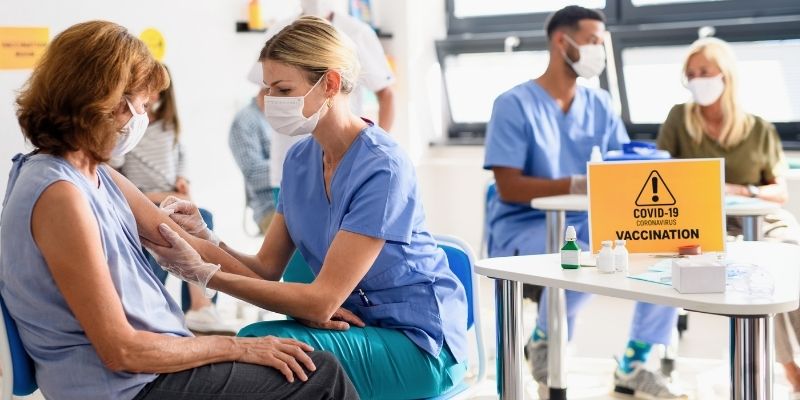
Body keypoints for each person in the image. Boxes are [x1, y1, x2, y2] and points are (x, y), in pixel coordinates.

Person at [1, 20, 357, 400]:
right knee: (319, 377)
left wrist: (294, 305)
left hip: (149, 372)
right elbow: (121, 350)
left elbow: (180, 242)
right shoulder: (60, 194)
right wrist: (235, 345)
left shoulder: (93, 171)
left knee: (301, 362)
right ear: (104, 101)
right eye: (141, 105)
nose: (145, 117)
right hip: (126, 387)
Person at [151, 16, 467, 400]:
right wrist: (205, 238)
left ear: (330, 84)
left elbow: (321, 301)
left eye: (283, 88)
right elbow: (266, 270)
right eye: (267, 89)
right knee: (262, 350)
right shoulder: (300, 159)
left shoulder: (383, 166)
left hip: (418, 342)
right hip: (356, 328)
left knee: (261, 353)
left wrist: (205, 275)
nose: (269, 101)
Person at [483, 6, 686, 399]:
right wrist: (577, 184)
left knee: (662, 234)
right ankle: (545, 337)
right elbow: (508, 187)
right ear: (563, 41)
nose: (600, 51)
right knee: (591, 241)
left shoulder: (600, 105)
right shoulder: (513, 104)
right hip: (524, 225)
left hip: (588, 221)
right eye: (593, 41)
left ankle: (636, 360)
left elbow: (619, 171)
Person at [656, 36, 800, 395]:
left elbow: (778, 191)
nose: (697, 79)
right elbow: (660, 173)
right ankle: (789, 366)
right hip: (706, 222)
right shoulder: (679, 119)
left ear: (725, 74)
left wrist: (736, 190)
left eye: (704, 71)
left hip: (762, 218)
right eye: (691, 73)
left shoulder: (758, 128)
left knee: (786, 259)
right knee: (755, 269)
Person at [111, 65, 236, 334]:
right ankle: (196, 306)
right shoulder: (131, 127)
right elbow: (116, 173)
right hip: (143, 196)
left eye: (157, 94)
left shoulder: (169, 127)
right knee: (172, 228)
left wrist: (183, 181)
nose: (152, 100)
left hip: (170, 195)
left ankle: (200, 307)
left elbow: (181, 158)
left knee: (203, 219)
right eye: (147, 95)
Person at [249, 0, 395, 190]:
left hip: (350, 157)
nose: (274, 98)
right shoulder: (295, 158)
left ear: (331, 84)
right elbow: (263, 92)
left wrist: (374, 150)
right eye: (272, 90)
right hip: (288, 162)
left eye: (285, 90)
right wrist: (284, 115)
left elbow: (386, 93)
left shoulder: (356, 32)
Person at [229, 76, 276, 233]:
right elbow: (254, 174)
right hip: (271, 207)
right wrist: (298, 166)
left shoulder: (279, 119)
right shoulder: (245, 121)